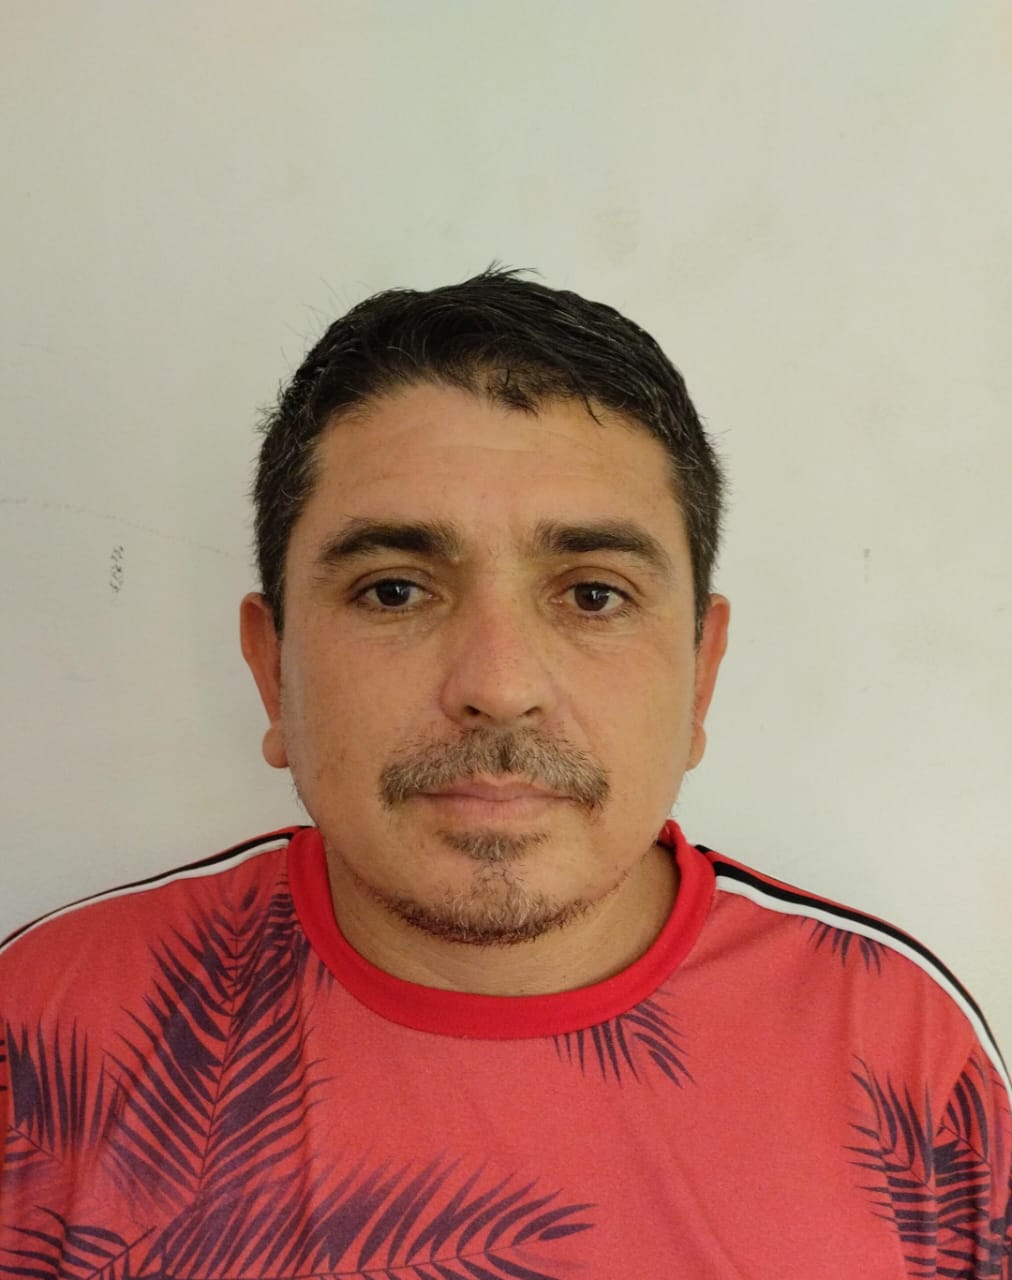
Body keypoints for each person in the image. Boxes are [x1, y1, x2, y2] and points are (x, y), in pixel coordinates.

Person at [1, 266, 1008, 1279]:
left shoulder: (901, 1048)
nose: (499, 685)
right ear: (273, 669)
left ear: (701, 673)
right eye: (394, 591)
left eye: (594, 594)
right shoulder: (44, 1032)